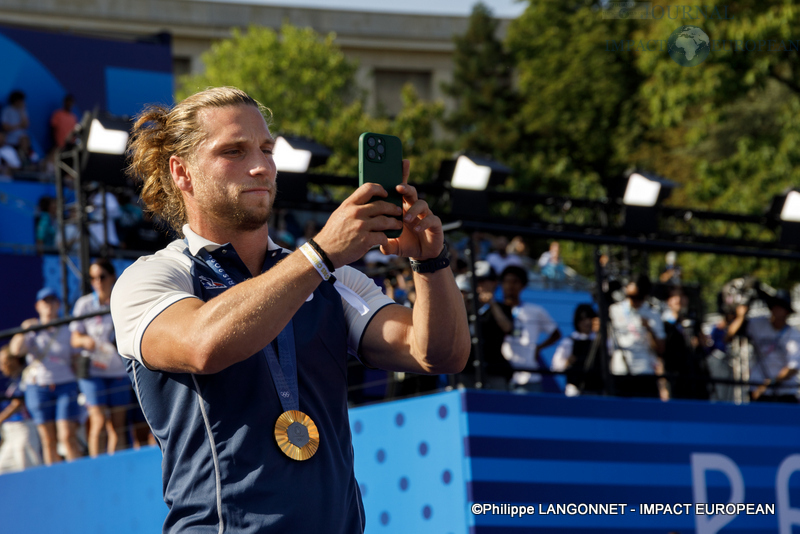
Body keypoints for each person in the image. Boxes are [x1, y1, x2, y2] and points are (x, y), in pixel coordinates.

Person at [110, 86, 469, 533]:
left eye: (265, 149)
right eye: (234, 152)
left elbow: (437, 353)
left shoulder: (330, 277)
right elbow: (204, 344)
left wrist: (430, 263)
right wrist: (319, 256)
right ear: (182, 172)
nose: (260, 166)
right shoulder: (152, 278)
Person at [9, 288, 82, 465]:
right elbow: (15, 350)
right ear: (38, 306)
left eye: (52, 301)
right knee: (48, 440)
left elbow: (76, 358)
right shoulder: (32, 330)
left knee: (67, 435)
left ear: (58, 304)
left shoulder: (67, 328)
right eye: (45, 301)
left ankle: (79, 473)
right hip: (38, 386)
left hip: (65, 384)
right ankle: (55, 478)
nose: (48, 305)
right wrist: (24, 330)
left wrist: (79, 383)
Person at [70, 258, 131, 456]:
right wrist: (84, 341)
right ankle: (96, 467)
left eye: (101, 277)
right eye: (93, 278)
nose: (97, 281)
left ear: (112, 277)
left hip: (118, 370)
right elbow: (74, 338)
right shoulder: (84, 304)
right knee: (97, 421)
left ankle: (117, 467)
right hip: (92, 371)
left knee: (117, 425)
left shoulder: (123, 299)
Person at [727, 289, 800, 403]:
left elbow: (793, 368)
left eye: (781, 307)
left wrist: (769, 384)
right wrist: (741, 315)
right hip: (758, 389)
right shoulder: (757, 324)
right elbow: (729, 336)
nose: (776, 311)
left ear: (787, 311)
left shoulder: (794, 335)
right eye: (774, 306)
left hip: (784, 392)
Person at [500, 265, 562, 393]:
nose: (510, 286)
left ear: (523, 285)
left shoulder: (535, 311)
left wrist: (538, 348)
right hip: (500, 375)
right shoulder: (495, 311)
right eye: (507, 281)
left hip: (529, 377)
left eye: (515, 282)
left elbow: (556, 333)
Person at [454, 261, 514, 390]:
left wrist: (492, 303)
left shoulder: (502, 307)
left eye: (483, 281)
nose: (479, 285)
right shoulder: (467, 307)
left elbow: (508, 328)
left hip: (494, 368)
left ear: (494, 283)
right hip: (467, 368)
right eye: (475, 281)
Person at [608, 274, 669, 400]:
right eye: (630, 296)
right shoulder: (614, 310)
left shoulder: (653, 314)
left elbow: (661, 349)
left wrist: (649, 329)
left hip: (645, 372)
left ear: (645, 295)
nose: (633, 301)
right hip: (620, 371)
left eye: (638, 297)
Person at [0, 345, 42, 474]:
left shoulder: (25, 376)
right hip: (9, 432)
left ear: (15, 360)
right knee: (3, 469)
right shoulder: (12, 381)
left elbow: (18, 403)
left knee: (29, 470)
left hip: (24, 429)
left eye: (4, 362)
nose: (2, 367)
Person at [551, 304, 602, 397]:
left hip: (597, 390)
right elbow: (555, 366)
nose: (587, 323)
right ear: (577, 321)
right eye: (582, 319)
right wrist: (567, 362)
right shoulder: (569, 341)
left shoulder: (600, 340)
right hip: (575, 390)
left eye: (590, 318)